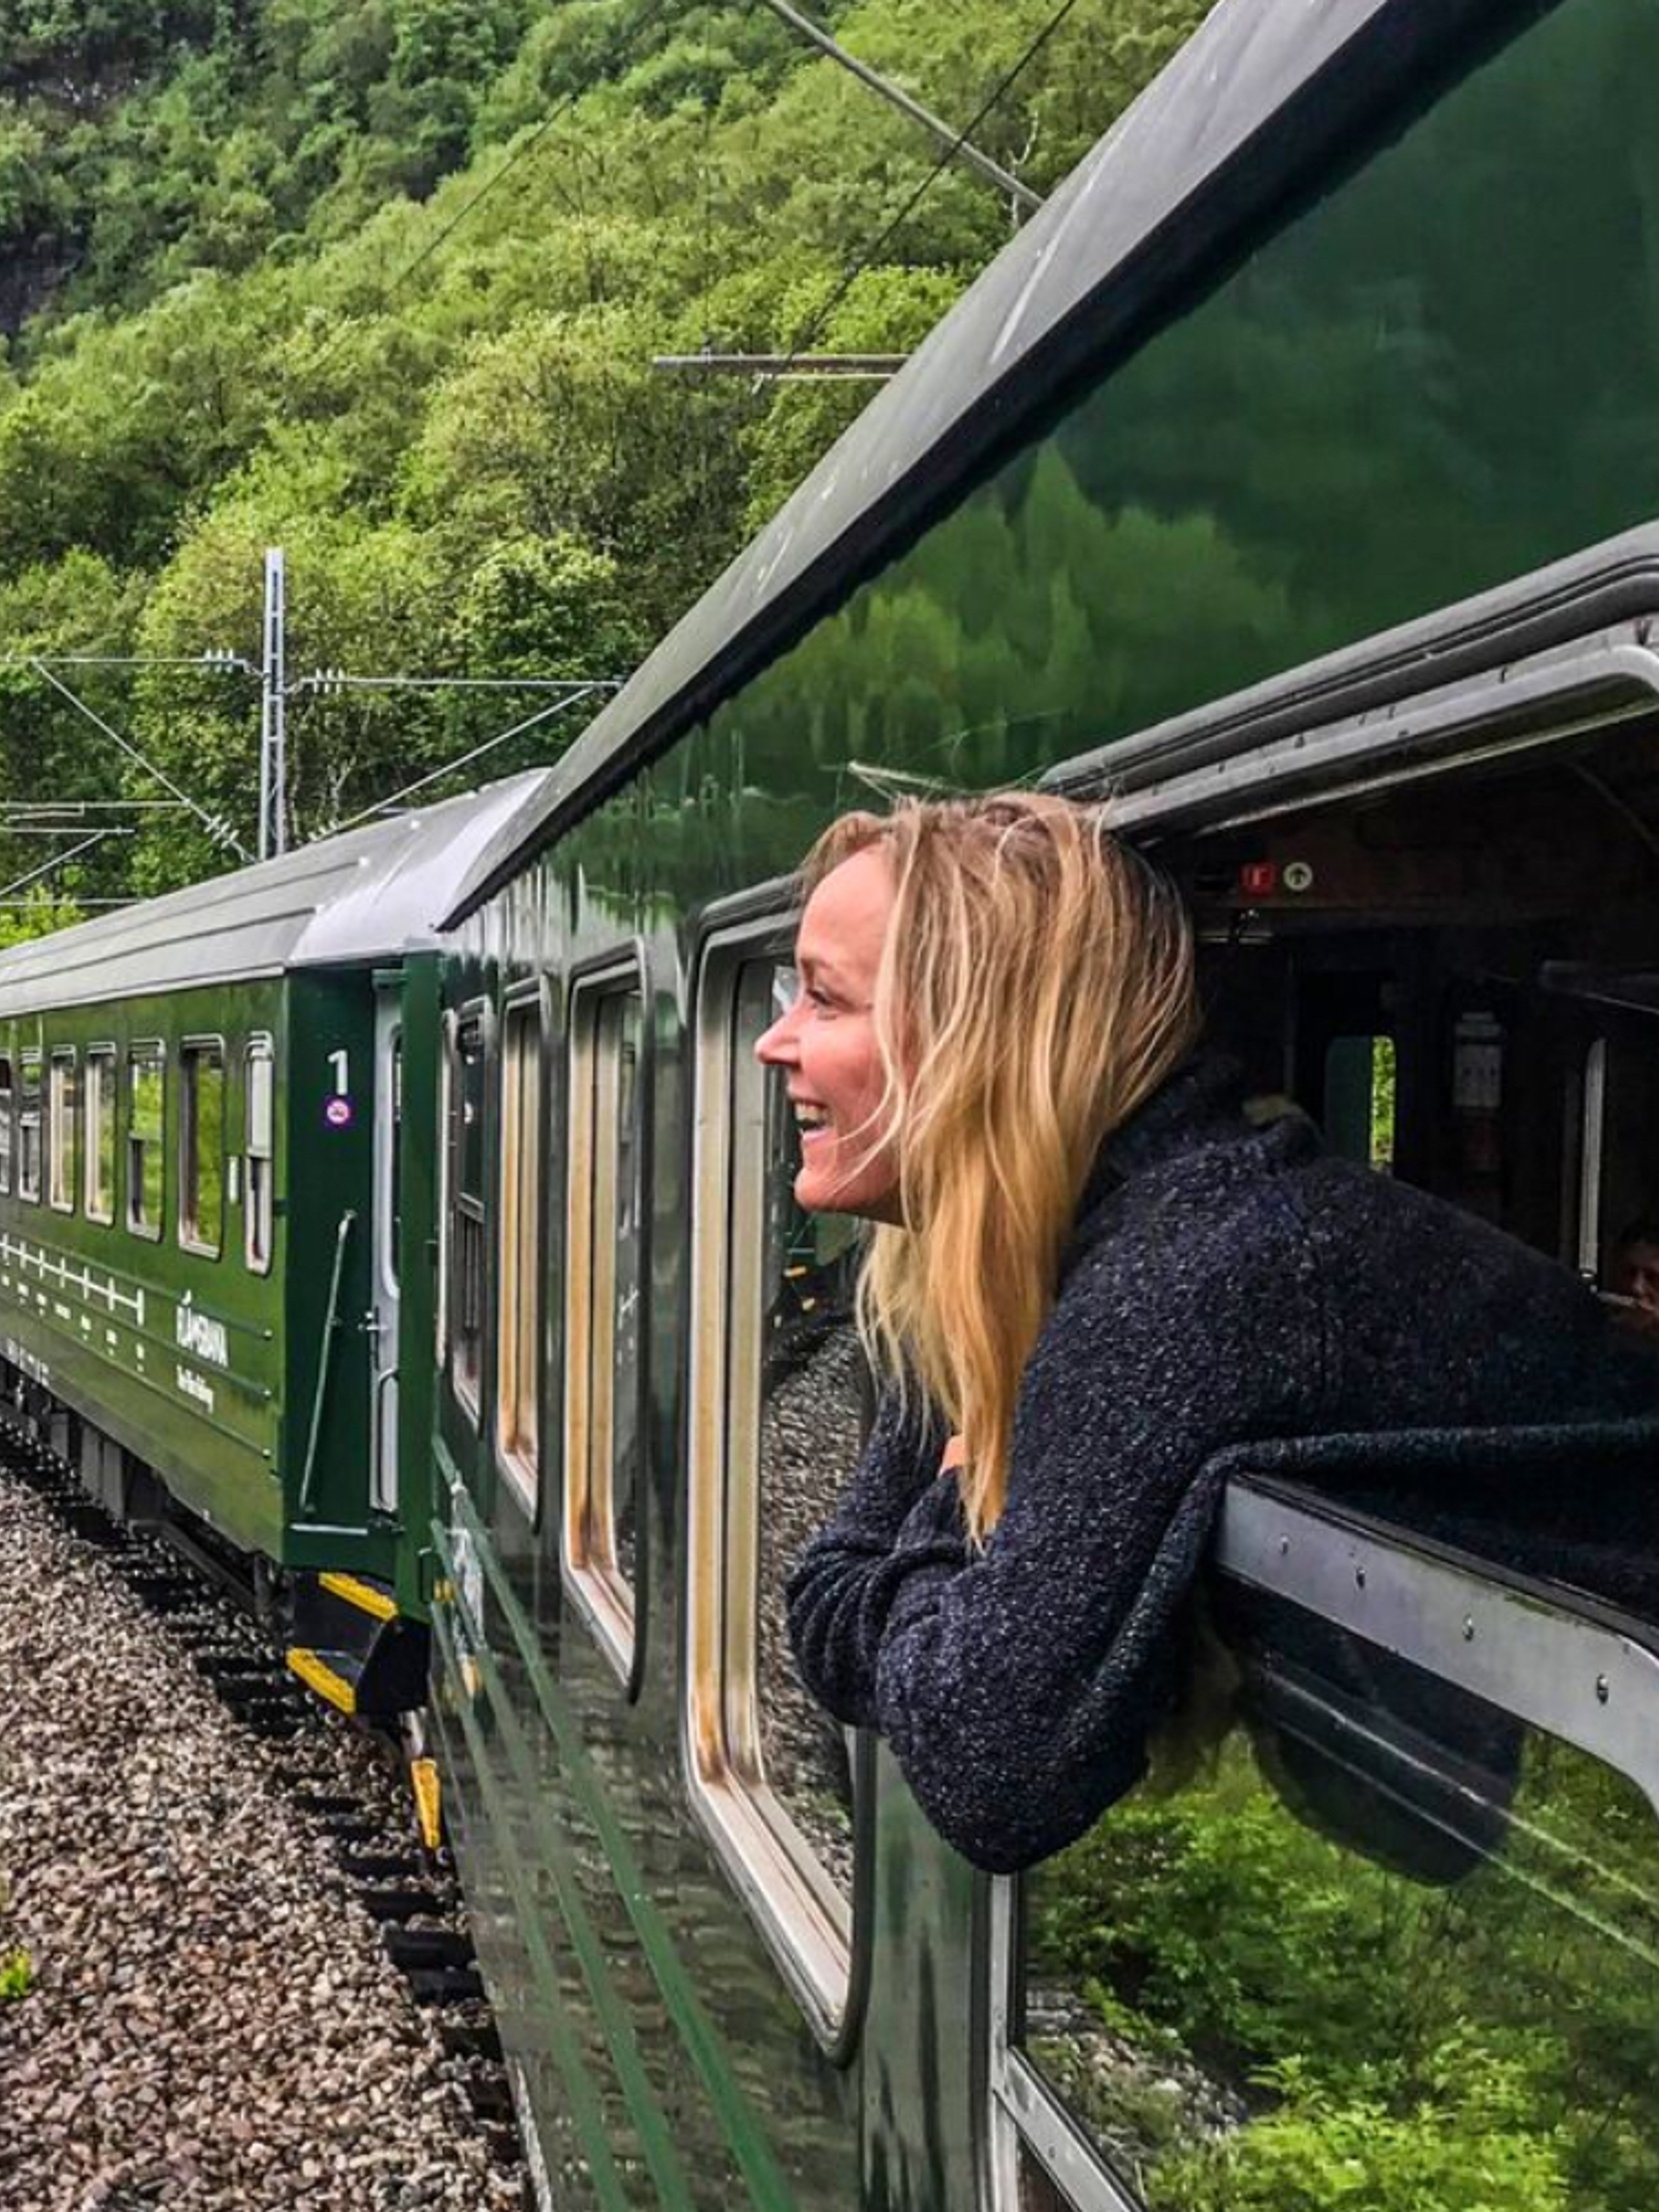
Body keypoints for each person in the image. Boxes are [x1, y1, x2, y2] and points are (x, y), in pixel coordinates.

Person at [758, 794, 1659, 1875]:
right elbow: (822, 1598)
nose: (776, 1044)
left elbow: (984, 1771)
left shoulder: (1196, 1278)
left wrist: (954, 1510)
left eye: (824, 999)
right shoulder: (1031, 1253)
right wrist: (949, 1584)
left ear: (977, 1039)